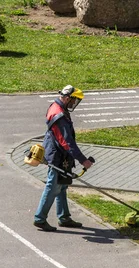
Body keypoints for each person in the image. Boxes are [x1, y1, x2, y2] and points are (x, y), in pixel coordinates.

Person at [33, 85, 94, 232]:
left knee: (62, 185)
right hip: (57, 156)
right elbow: (67, 142)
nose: (74, 104)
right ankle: (40, 219)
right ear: (67, 98)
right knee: (53, 186)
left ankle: (64, 217)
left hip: (57, 153)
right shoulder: (59, 115)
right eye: (74, 101)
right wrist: (82, 160)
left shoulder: (56, 106)